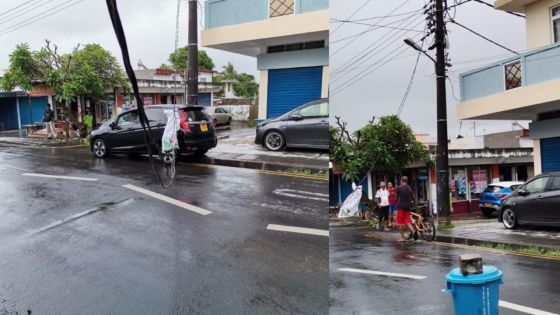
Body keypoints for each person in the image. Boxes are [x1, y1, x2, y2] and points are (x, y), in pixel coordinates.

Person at [396, 176, 417, 242]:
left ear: (402, 180)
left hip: (400, 207)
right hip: (407, 207)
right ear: (407, 181)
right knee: (407, 221)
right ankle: (414, 231)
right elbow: (413, 197)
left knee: (400, 223)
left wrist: (396, 202)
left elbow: (396, 197)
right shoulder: (409, 188)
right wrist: (413, 201)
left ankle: (402, 237)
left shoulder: (399, 188)